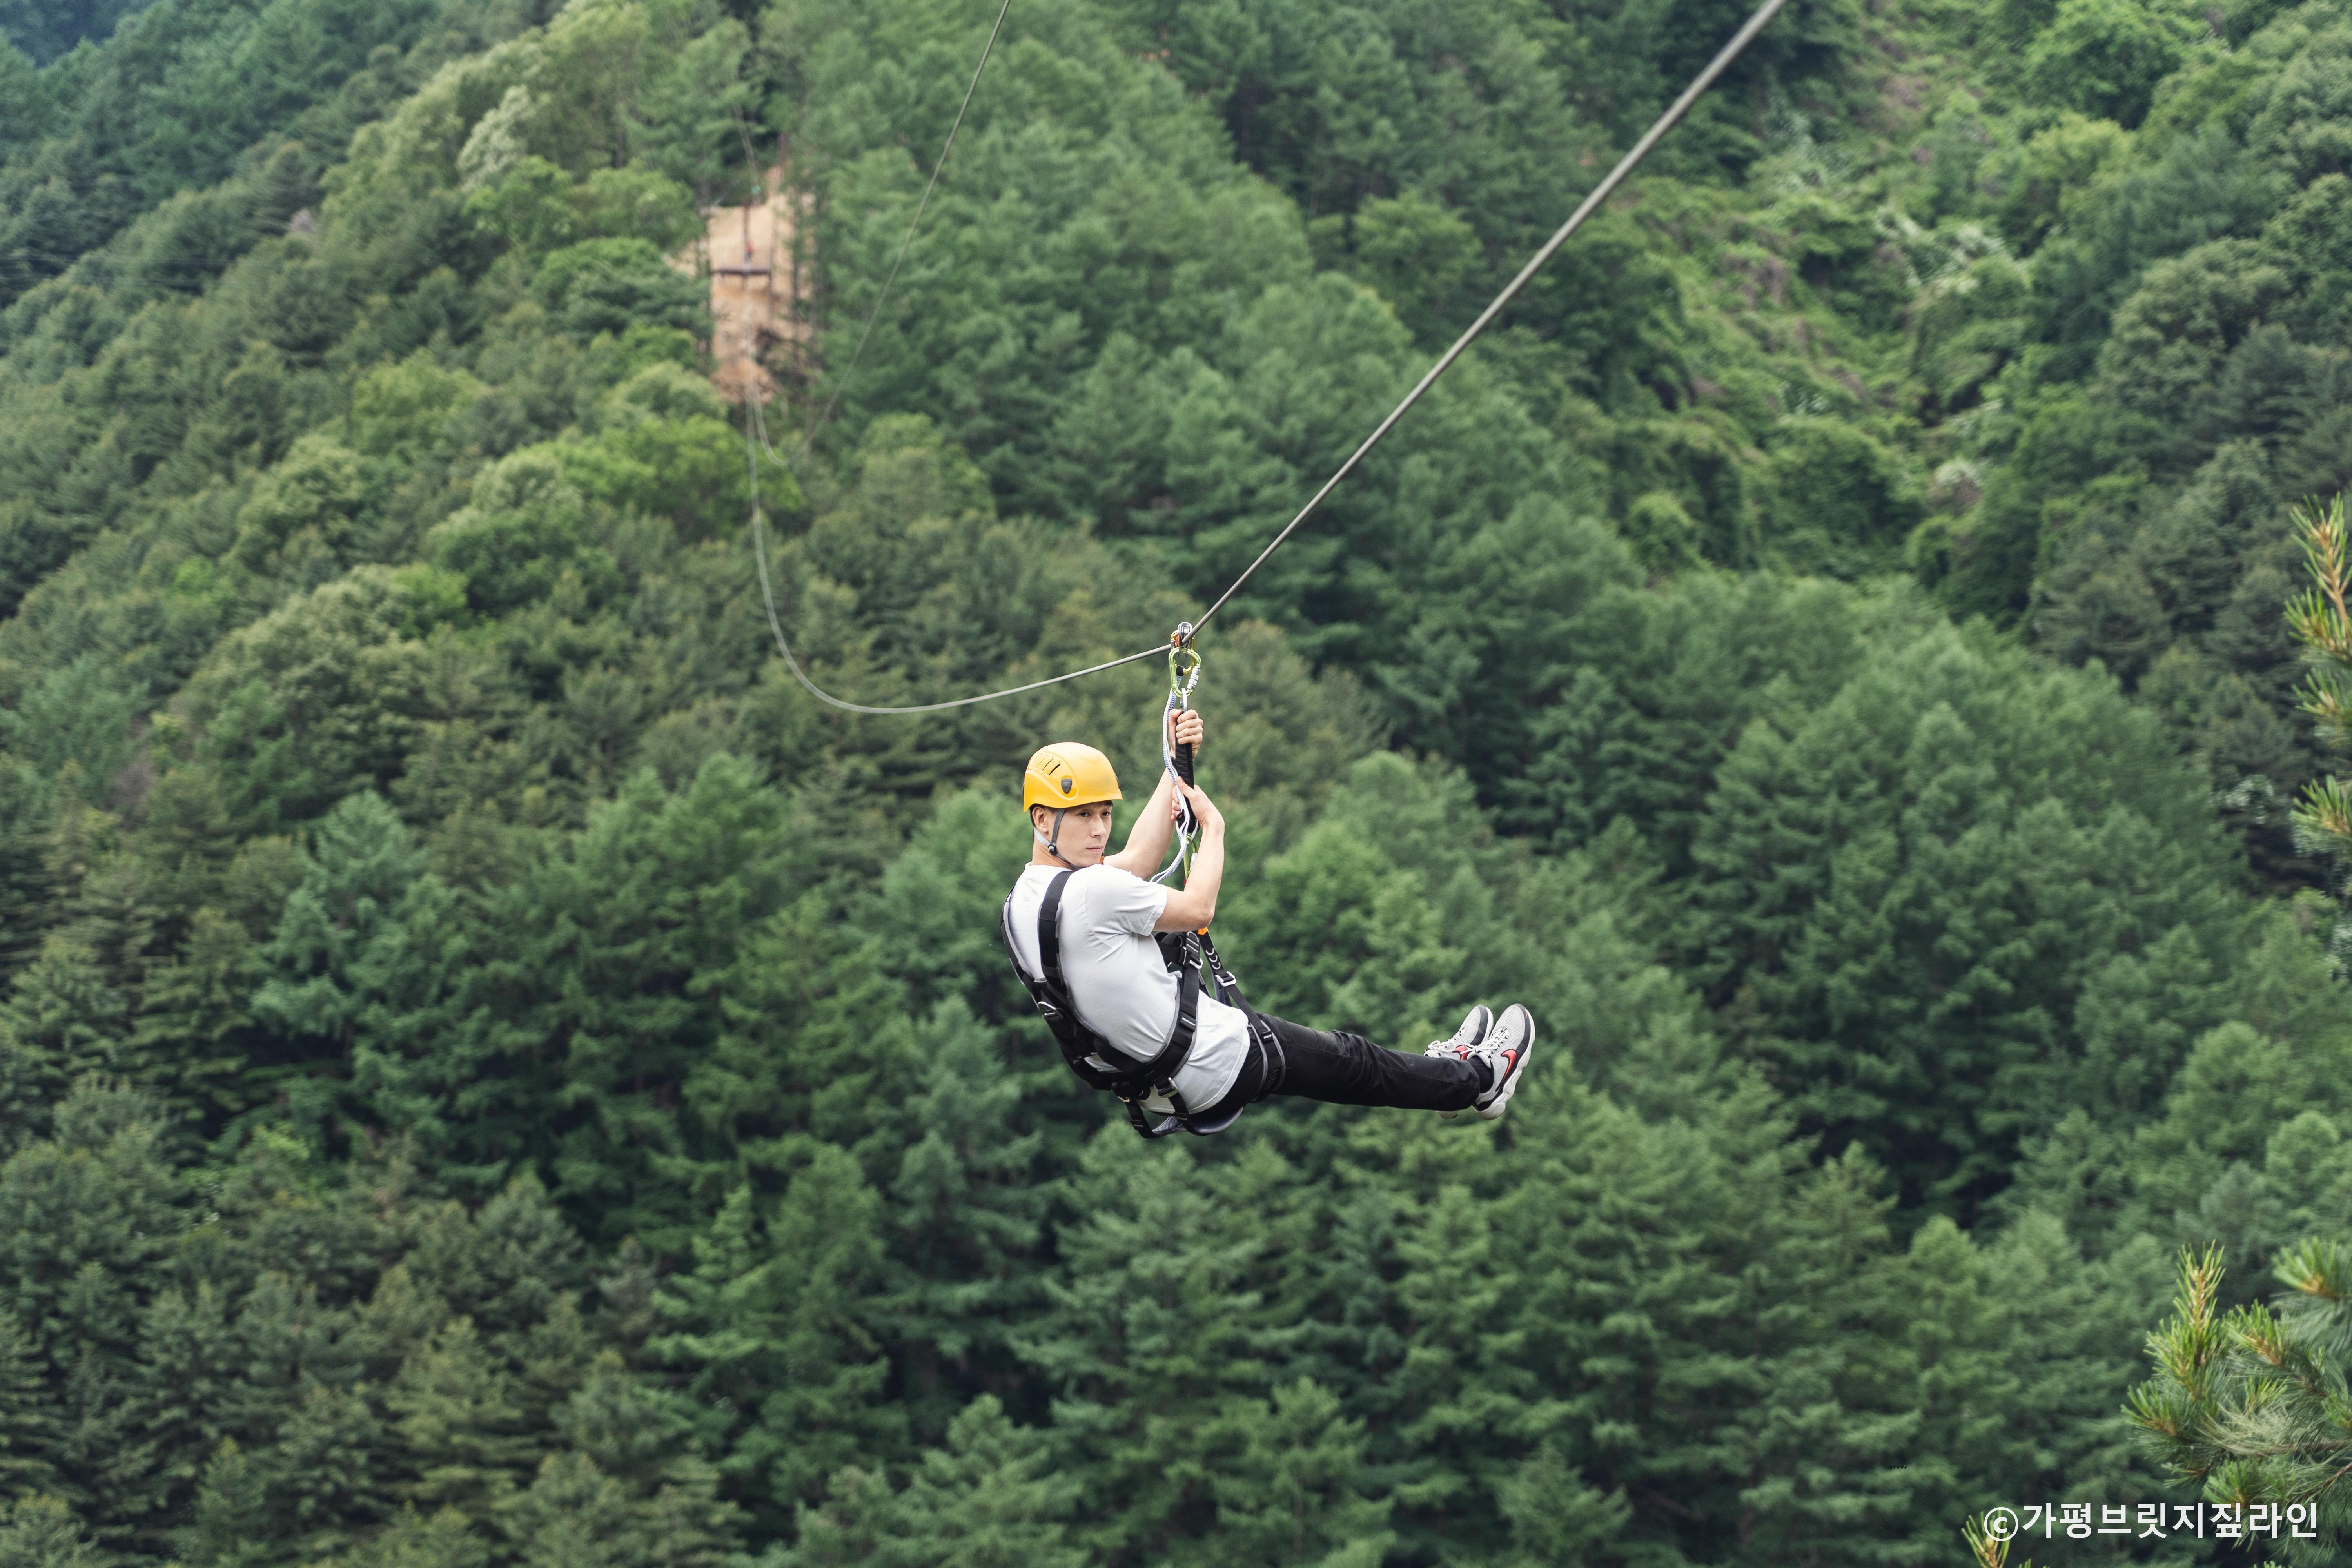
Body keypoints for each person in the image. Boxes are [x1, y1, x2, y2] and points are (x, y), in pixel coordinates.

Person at [1002, 706, 1535, 1135]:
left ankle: (1444, 1082)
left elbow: (1139, 857)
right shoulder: (1095, 891)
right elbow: (1199, 910)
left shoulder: (1026, 900)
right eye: (1082, 817)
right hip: (1213, 1060)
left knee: (1352, 1064)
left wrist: (1174, 761)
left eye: (1104, 814)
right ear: (1043, 819)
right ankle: (1479, 1081)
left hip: (1155, 1089)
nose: (1098, 831)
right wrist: (1215, 829)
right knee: (1354, 1062)